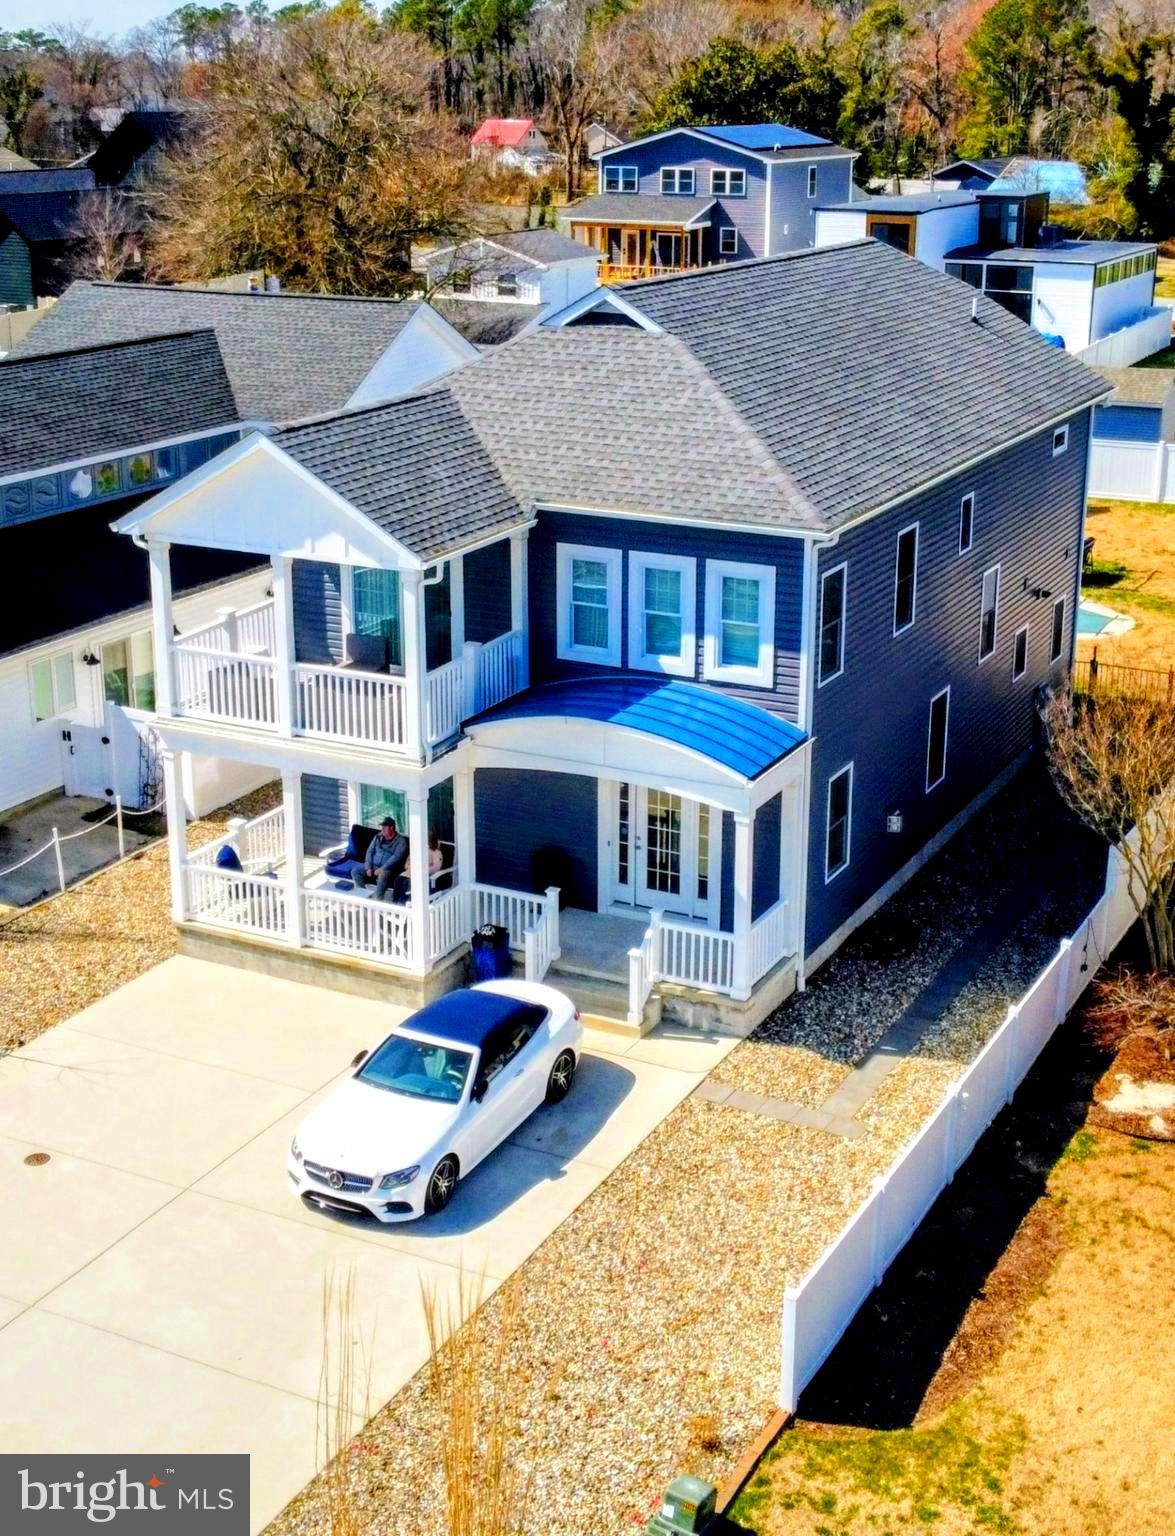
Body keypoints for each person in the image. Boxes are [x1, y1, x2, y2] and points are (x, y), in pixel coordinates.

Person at [352, 817, 409, 901]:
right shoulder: (378, 837)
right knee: (355, 871)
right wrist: (368, 867)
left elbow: (396, 858)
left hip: (389, 868)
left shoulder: (401, 841)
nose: (382, 829)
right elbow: (370, 852)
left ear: (391, 828)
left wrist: (382, 868)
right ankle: (363, 896)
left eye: (384, 827)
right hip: (373, 865)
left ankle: (378, 898)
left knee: (382, 875)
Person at [391, 830, 445, 905]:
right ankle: (396, 903)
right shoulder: (418, 848)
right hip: (409, 872)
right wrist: (409, 866)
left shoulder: (436, 852)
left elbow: (436, 867)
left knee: (407, 884)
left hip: (423, 875)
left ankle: (404, 904)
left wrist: (422, 870)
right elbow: (408, 861)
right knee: (398, 880)